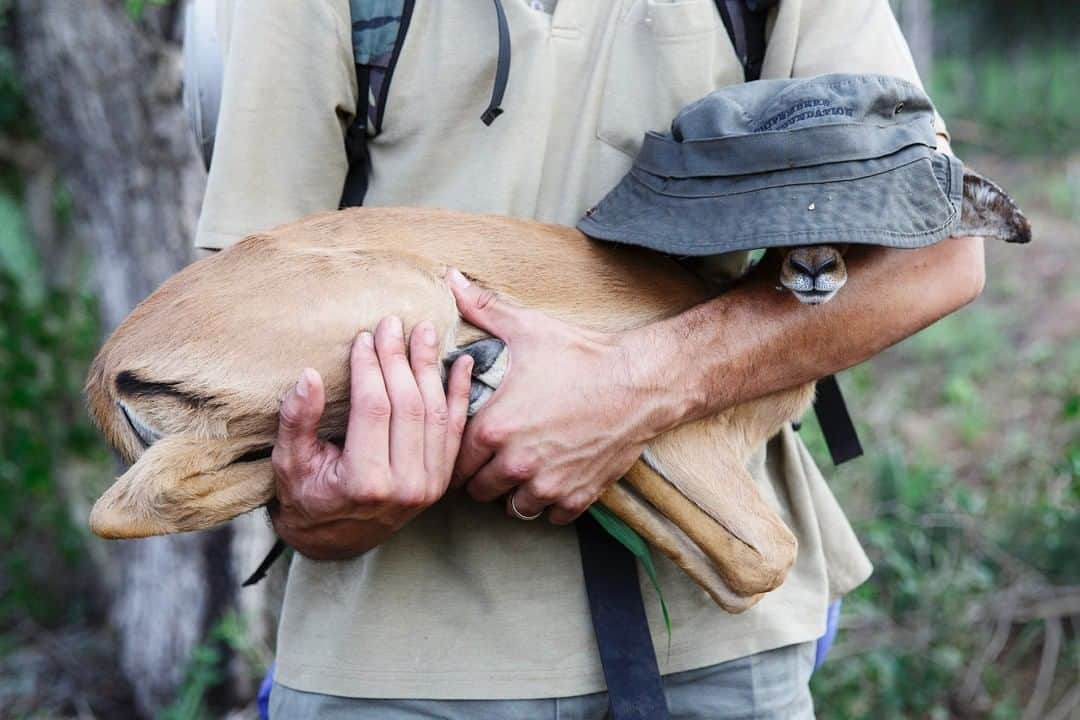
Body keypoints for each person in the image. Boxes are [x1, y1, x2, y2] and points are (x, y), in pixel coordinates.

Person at [194, 1, 985, 717]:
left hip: (720, 639)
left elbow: (935, 257)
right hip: (396, 667)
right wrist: (315, 510)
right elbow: (243, 339)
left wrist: (629, 388)